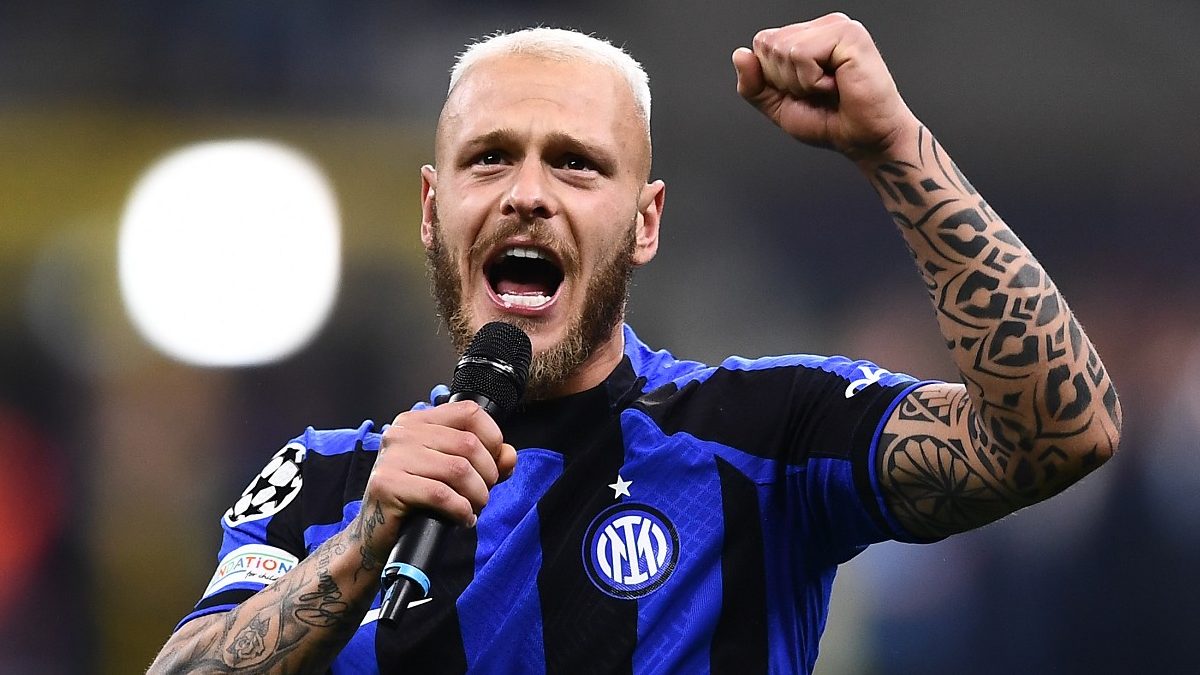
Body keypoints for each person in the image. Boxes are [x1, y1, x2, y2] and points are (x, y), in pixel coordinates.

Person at [148, 13, 1121, 674]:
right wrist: (364, 544)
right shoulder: (325, 481)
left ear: (645, 222)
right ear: (433, 211)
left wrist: (896, 149)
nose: (528, 193)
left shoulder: (765, 438)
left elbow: (1058, 432)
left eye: (575, 164)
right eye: (491, 157)